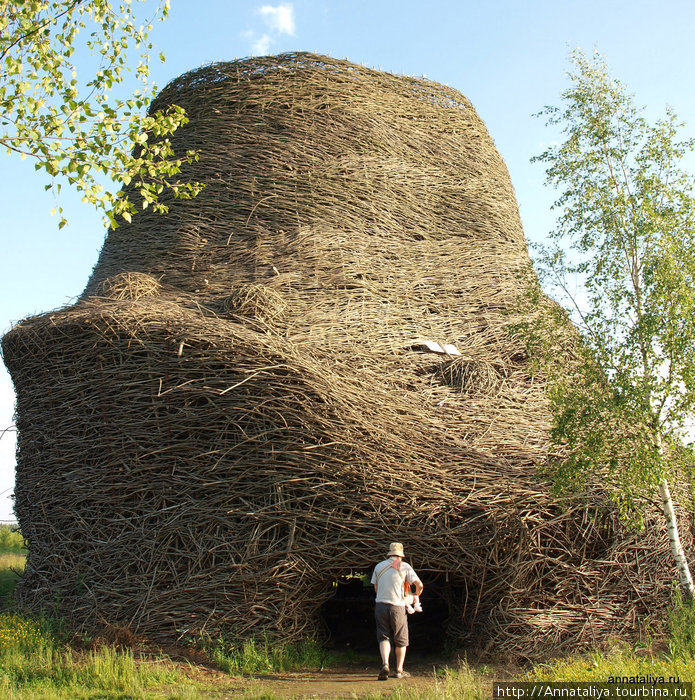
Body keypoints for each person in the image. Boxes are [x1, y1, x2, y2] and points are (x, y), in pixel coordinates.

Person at [371, 542, 423, 680]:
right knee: (400, 639)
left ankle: (385, 664)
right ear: (401, 555)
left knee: (384, 636)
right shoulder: (404, 566)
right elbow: (419, 584)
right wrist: (416, 595)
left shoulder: (379, 566)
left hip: (380, 605)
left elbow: (376, 588)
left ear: (389, 553)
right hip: (397, 607)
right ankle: (399, 670)